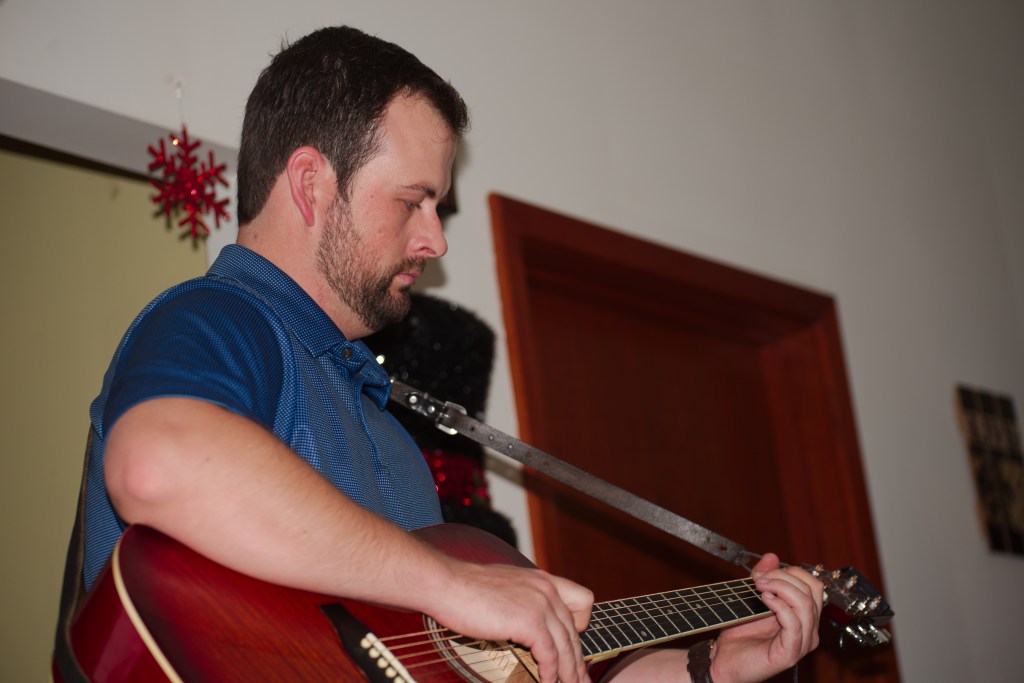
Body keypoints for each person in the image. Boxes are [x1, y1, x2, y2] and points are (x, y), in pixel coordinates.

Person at [81, 25, 823, 683]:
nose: (435, 240)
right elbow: (157, 461)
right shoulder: (221, 318)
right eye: (414, 201)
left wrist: (708, 666)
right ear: (311, 184)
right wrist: (452, 582)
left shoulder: (399, 452)